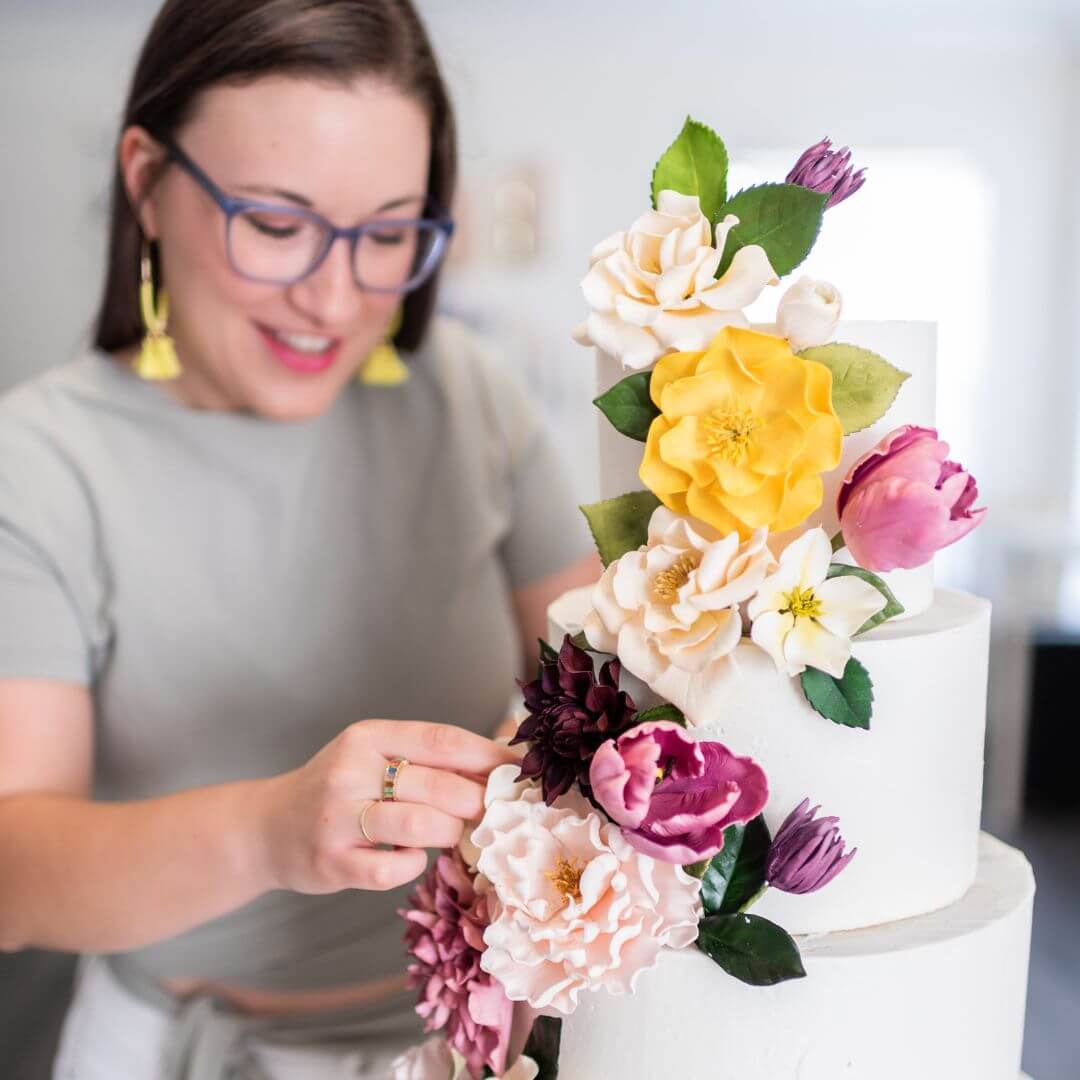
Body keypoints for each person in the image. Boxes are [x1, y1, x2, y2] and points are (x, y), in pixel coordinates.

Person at [0, 2, 599, 1076]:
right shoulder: (38, 459)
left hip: (467, 1039)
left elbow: (609, 688)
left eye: (385, 236)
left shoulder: (472, 399)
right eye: (275, 225)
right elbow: (10, 875)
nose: (333, 298)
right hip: (178, 1046)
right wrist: (271, 832)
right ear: (145, 181)